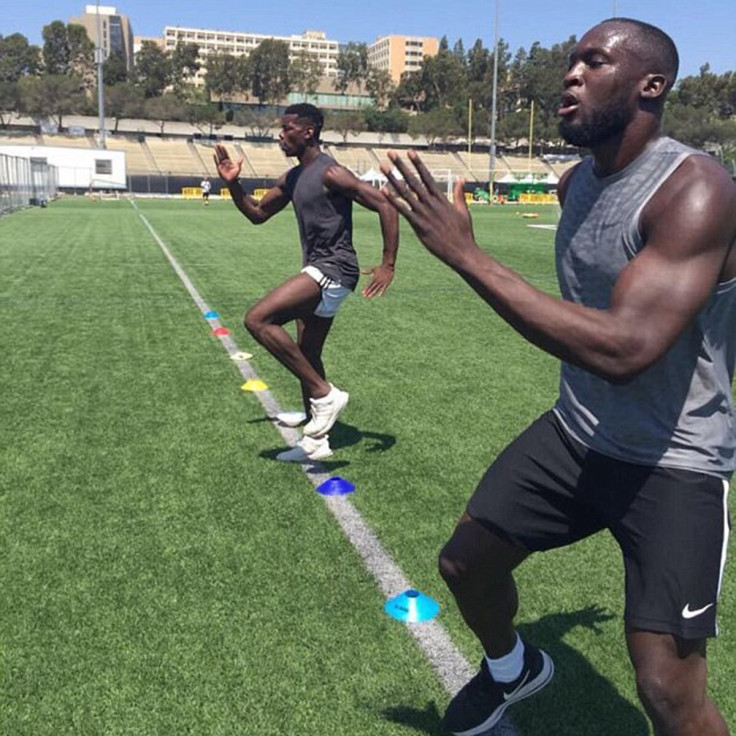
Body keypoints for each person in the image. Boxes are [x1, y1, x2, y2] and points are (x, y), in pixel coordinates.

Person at [381, 18, 735, 736]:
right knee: (465, 565)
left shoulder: (694, 189)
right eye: (570, 61)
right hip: (577, 433)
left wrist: (467, 256)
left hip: (673, 460)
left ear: (650, 85)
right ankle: (515, 669)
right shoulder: (576, 182)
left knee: (668, 689)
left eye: (592, 61)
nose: (569, 75)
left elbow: (626, 348)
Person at [214, 103, 399, 462]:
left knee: (258, 319)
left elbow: (385, 205)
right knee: (307, 352)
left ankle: (324, 394)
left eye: (287, 129)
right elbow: (257, 213)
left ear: (308, 132)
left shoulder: (332, 173)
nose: (280, 135)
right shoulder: (294, 177)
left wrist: (388, 263)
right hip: (321, 269)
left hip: (334, 268)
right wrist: (234, 184)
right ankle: (316, 442)